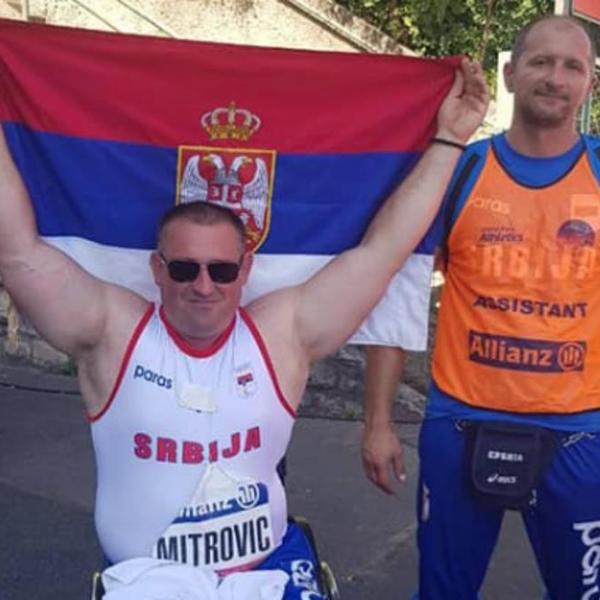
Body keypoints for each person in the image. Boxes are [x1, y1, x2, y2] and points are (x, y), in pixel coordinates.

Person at [0, 58, 487, 598]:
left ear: (246, 270)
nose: (203, 286)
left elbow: (384, 252)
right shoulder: (111, 332)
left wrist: (449, 139)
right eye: (184, 269)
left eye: (222, 270)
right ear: (157, 269)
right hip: (147, 581)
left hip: (268, 575)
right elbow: (17, 252)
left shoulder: (281, 334)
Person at [362, 14, 600, 600]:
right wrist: (377, 423)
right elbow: (397, 288)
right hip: (460, 423)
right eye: (541, 62)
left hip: (580, 432)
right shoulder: (459, 170)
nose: (556, 77)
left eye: (572, 66)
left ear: (589, 84)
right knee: (443, 593)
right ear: (511, 74)